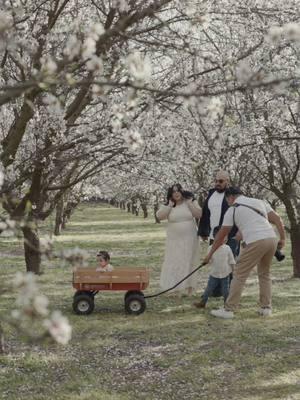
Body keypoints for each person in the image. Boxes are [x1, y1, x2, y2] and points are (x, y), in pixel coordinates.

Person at [204, 187, 286, 319]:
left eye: (227, 200)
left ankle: (229, 309)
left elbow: (220, 236)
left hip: (256, 240)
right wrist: (283, 238)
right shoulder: (259, 202)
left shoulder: (233, 209)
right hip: (271, 239)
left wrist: (209, 254)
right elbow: (278, 219)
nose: (228, 202)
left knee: (239, 274)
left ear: (230, 197)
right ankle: (266, 308)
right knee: (264, 273)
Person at [156, 184, 202, 296]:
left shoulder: (190, 201)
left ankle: (189, 287)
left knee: (189, 260)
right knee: (175, 260)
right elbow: (159, 216)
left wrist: (190, 203)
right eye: (173, 191)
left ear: (182, 192)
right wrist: (169, 206)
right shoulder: (169, 204)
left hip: (190, 237)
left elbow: (199, 214)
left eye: (178, 191)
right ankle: (174, 288)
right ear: (171, 194)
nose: (176, 193)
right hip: (174, 239)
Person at [198, 170, 239, 256]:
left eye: (220, 181)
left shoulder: (233, 194)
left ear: (227, 181)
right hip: (214, 235)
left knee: (230, 263)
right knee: (215, 262)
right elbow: (205, 213)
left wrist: (227, 233)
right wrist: (203, 232)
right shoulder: (211, 194)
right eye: (216, 181)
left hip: (230, 236)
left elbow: (237, 214)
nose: (217, 183)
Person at [194, 226, 236, 308]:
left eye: (226, 237)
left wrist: (233, 271)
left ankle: (226, 304)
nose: (225, 239)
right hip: (214, 274)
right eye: (223, 237)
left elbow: (231, 260)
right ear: (215, 238)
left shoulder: (227, 248)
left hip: (225, 274)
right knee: (208, 289)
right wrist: (206, 261)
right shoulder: (210, 248)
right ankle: (203, 302)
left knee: (225, 290)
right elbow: (209, 259)